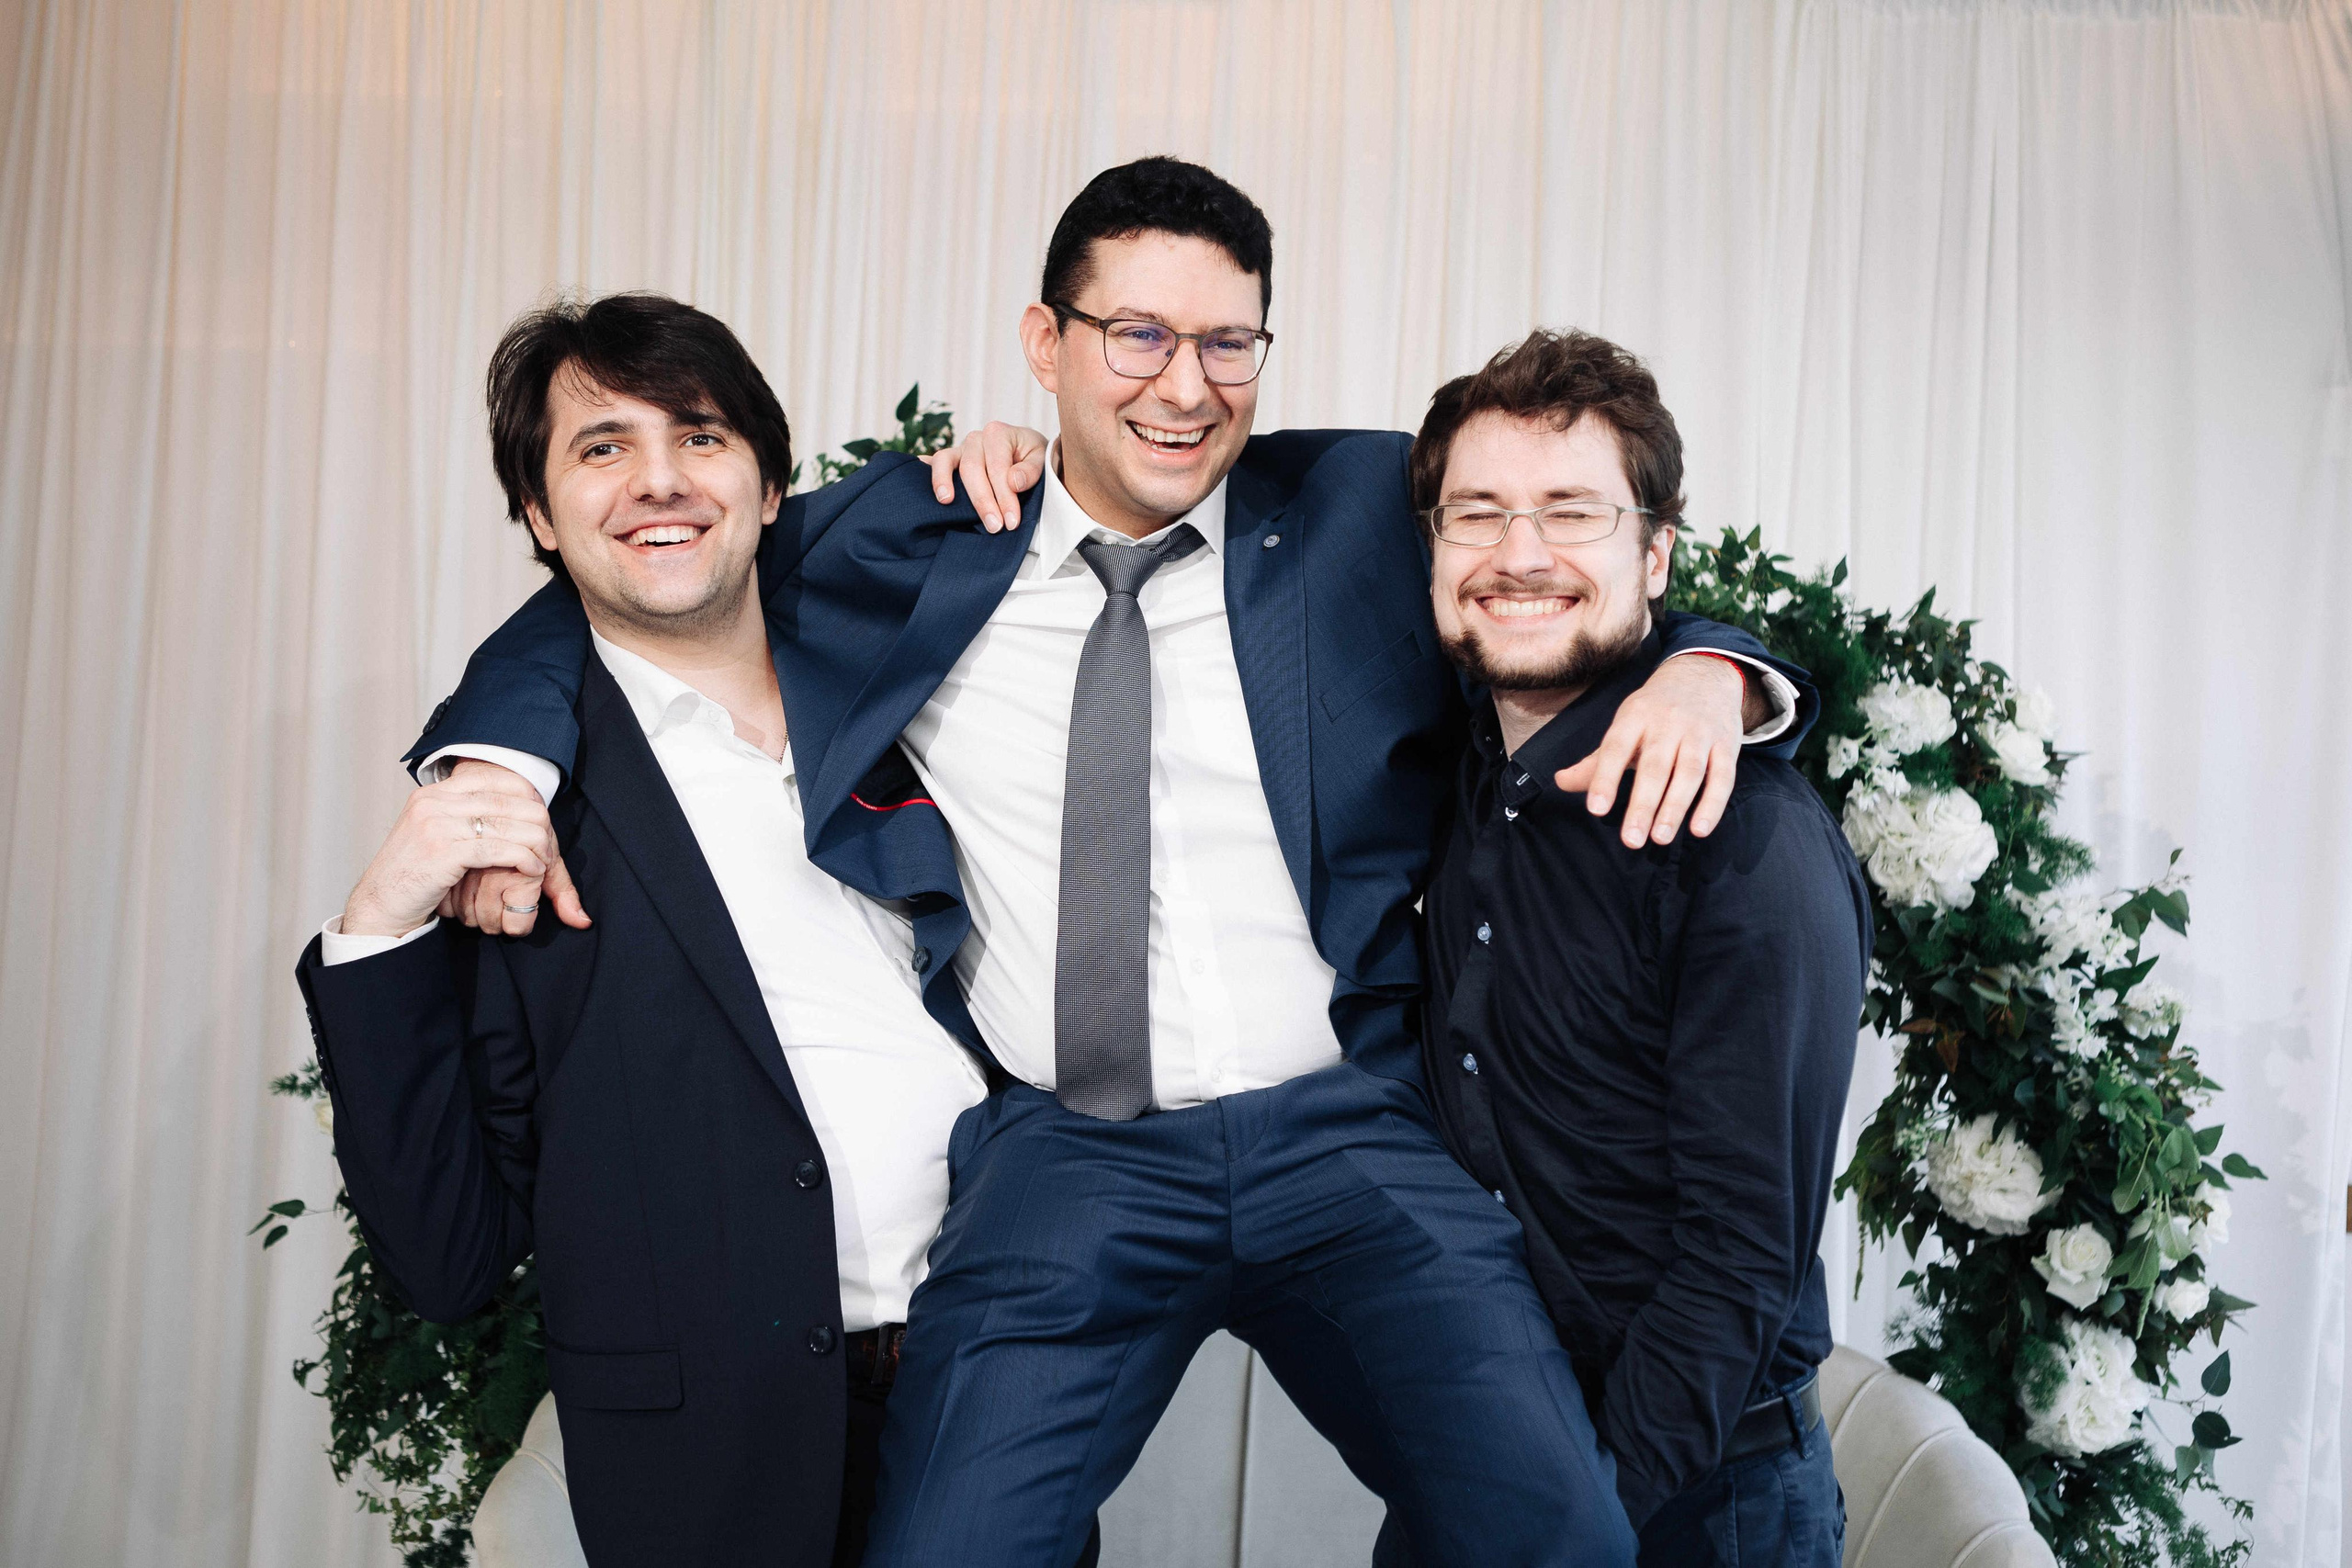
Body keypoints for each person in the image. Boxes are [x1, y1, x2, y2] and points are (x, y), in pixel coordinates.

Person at [411, 159, 1819, 1567]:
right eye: (1137, 335)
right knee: (947, 1553)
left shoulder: (1354, 513)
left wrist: (1716, 671)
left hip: (1343, 1127)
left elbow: (1560, 567)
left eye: (1226, 343)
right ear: (1048, 342)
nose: (1184, 387)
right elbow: (636, 572)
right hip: (1071, 1148)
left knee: (1555, 1529)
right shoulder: (918, 537)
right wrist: (494, 760)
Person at [294, 295, 1074, 1568]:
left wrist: (1022, 460)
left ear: (770, 488)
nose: (659, 479)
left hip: (990, 1393)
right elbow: (447, 1260)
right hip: (712, 1456)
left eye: (699, 436)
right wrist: (378, 925)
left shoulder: (906, 688)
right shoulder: (521, 823)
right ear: (541, 517)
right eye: (601, 447)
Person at [1400, 328, 1870, 1566]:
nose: (1519, 555)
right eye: (1477, 515)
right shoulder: (1448, 760)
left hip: (1697, 1496)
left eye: (1573, 514)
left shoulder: (1748, 840)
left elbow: (1739, 1259)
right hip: (1481, 1459)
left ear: (1654, 555)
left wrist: (1577, 1524)